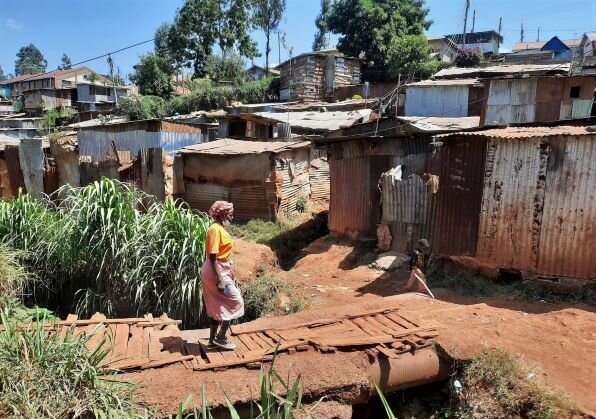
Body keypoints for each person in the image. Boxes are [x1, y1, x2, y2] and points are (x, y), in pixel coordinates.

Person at [201, 201, 244, 350]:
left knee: (217, 304)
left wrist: (228, 271)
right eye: (230, 214)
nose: (232, 217)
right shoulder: (215, 229)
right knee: (236, 302)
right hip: (215, 269)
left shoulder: (218, 228)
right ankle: (220, 337)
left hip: (219, 268)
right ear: (222, 215)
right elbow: (213, 256)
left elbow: (220, 254)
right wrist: (221, 278)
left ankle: (212, 341)